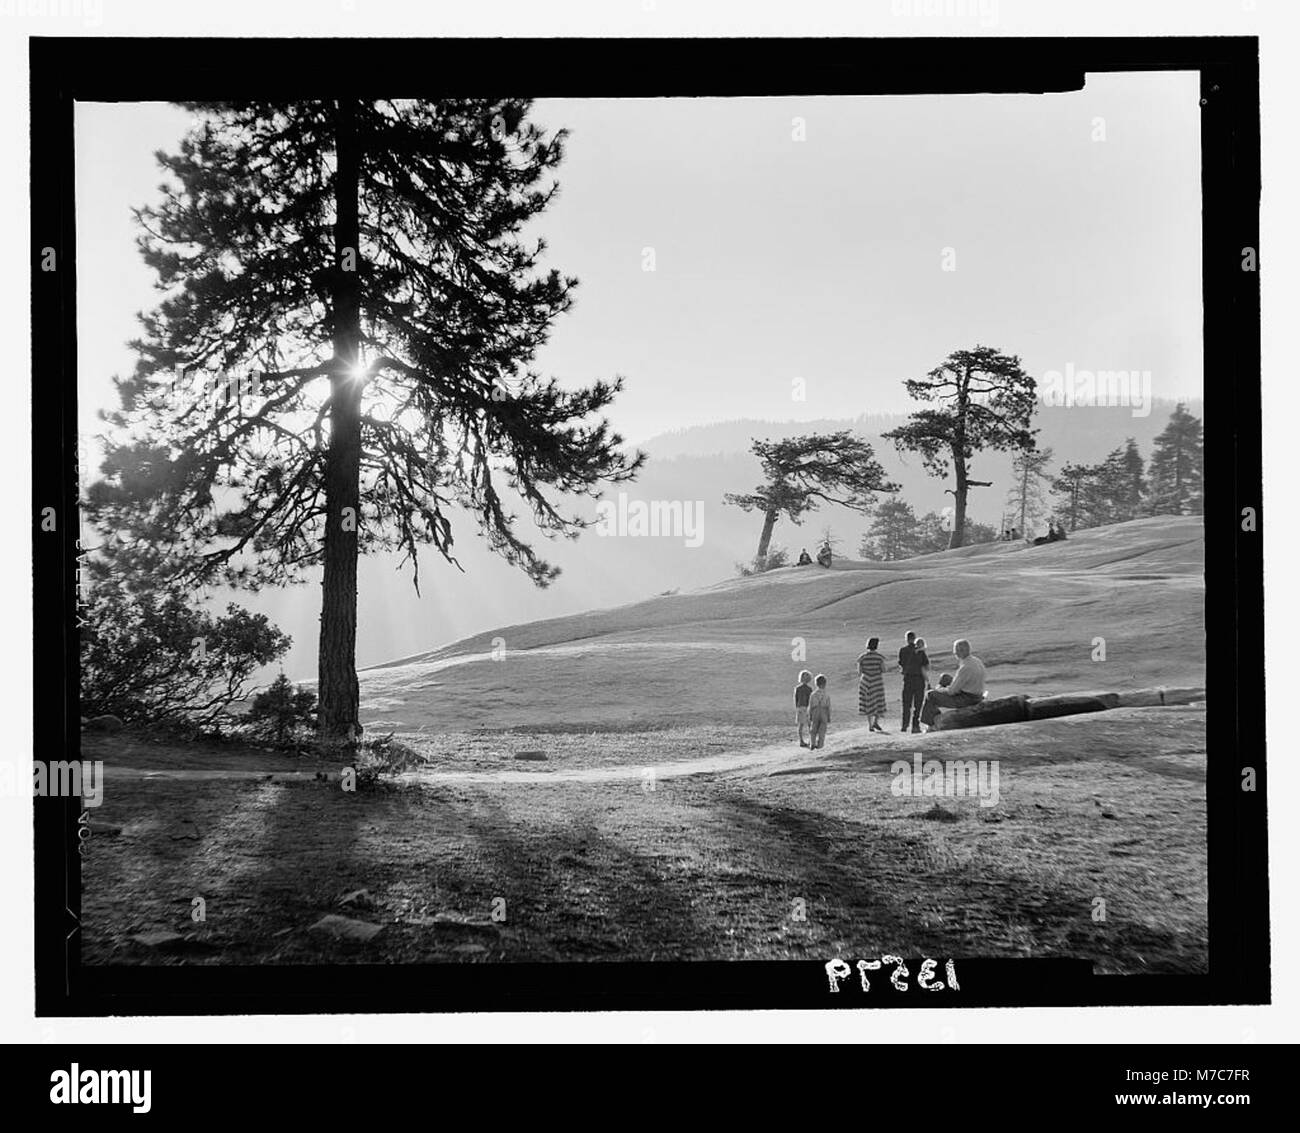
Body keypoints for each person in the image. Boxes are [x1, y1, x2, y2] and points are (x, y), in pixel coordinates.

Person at [919, 639, 987, 730]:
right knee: (945, 677)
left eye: (956, 651)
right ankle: (934, 712)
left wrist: (939, 689)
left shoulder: (965, 667)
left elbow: (951, 691)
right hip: (976, 693)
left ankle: (932, 725)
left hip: (968, 699)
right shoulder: (976, 661)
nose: (955, 653)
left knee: (930, 695)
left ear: (962, 651)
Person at [898, 630, 927, 735]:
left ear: (906, 639)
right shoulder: (920, 651)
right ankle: (915, 726)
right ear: (914, 639)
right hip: (919, 679)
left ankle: (904, 725)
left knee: (906, 704)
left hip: (908, 679)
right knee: (918, 704)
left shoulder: (902, 650)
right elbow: (925, 665)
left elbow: (901, 663)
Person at [856, 637, 887, 733]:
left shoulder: (862, 657)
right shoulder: (879, 657)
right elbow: (884, 670)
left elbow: (859, 672)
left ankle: (870, 725)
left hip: (866, 681)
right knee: (878, 702)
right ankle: (876, 722)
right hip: (877, 681)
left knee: (868, 702)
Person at [808, 674, 832, 749]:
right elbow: (829, 706)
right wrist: (829, 716)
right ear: (825, 684)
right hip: (824, 711)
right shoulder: (826, 694)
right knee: (822, 729)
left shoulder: (813, 694)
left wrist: (810, 715)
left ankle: (812, 743)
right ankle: (820, 744)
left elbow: (810, 706)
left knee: (813, 729)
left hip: (815, 711)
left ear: (816, 684)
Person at [793, 669, 813, 747]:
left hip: (803, 707)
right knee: (804, 725)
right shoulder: (805, 689)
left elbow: (796, 699)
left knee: (806, 725)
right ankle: (803, 741)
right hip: (803, 708)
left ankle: (807, 740)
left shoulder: (803, 689)